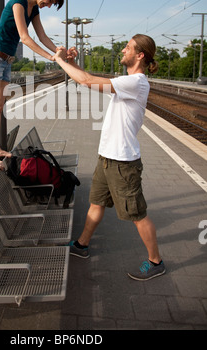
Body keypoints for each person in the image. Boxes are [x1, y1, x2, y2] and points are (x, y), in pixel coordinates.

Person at [54, 34, 166, 281]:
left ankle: (156, 262)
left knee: (137, 214)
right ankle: (81, 246)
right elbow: (89, 79)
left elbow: (86, 81)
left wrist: (60, 61)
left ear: (140, 55)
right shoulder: (127, 81)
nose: (122, 50)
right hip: (107, 157)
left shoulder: (136, 82)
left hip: (123, 162)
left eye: (128, 47)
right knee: (96, 203)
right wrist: (72, 63)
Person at [0, 0, 64, 169]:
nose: (48, 5)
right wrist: (51, 57)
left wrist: (57, 50)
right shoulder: (19, 2)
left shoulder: (34, 10)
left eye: (52, 3)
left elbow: (42, 36)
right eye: (50, 0)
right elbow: (25, 38)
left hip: (6, 62)